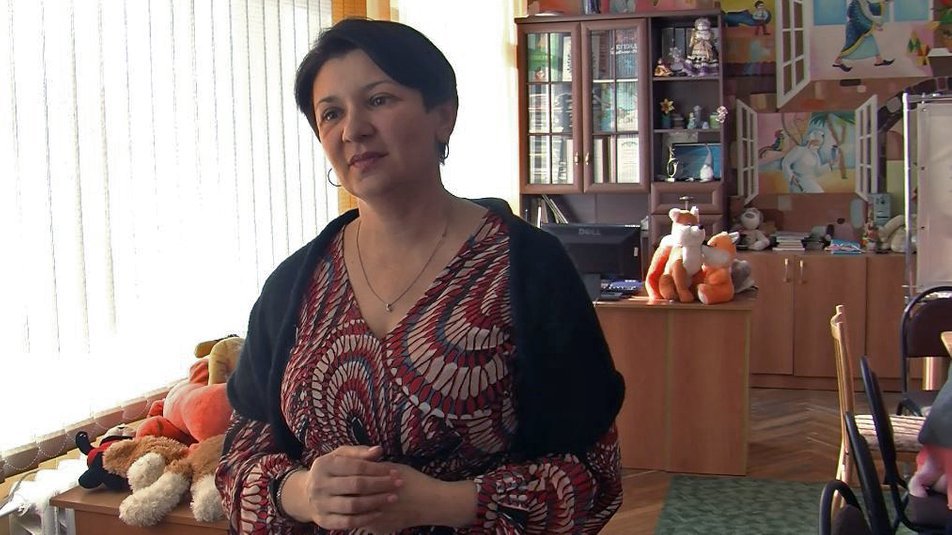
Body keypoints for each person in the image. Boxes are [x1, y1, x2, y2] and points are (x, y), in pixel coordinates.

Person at [215, 18, 626, 534]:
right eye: (331, 113)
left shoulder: (527, 267)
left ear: (442, 116)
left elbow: (595, 475)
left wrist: (445, 502)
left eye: (379, 100)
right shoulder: (295, 283)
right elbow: (239, 462)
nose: (354, 129)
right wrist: (302, 493)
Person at [832, 0, 894, 73]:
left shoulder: (863, 1)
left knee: (871, 43)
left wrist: (882, 3)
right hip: (855, 28)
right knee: (850, 45)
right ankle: (838, 60)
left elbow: (871, 9)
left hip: (861, 27)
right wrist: (873, 27)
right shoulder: (855, 4)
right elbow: (858, 18)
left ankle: (879, 60)